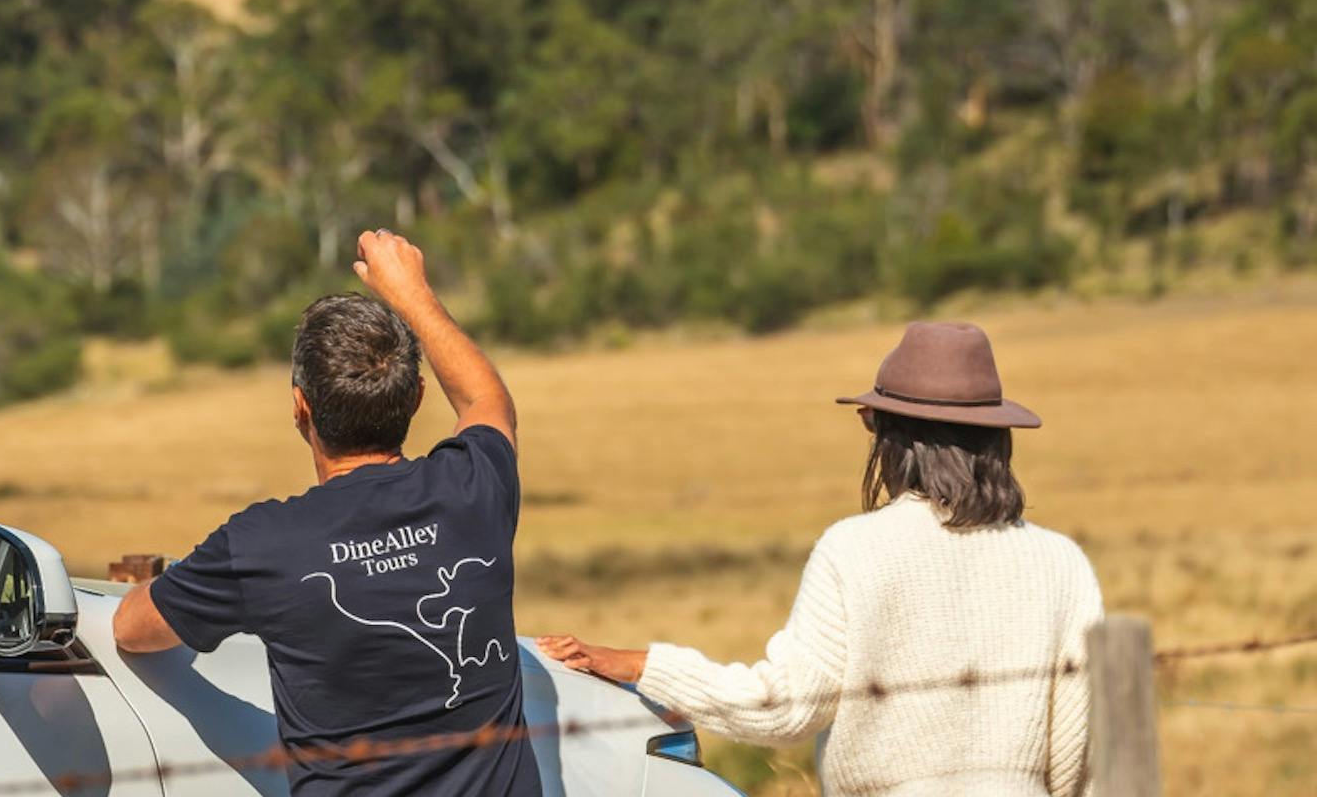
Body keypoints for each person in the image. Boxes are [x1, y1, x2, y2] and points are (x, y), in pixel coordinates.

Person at [537, 321, 1104, 797]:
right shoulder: (1063, 564)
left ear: (893, 438)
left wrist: (642, 666)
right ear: (996, 440)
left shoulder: (856, 549)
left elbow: (786, 709)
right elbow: (1079, 750)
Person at [113, 230, 540, 797]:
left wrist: (173, 585)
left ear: (299, 407)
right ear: (415, 396)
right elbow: (487, 402)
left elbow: (131, 630)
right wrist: (411, 291)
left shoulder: (261, 544)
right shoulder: (474, 488)